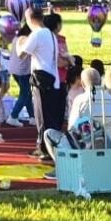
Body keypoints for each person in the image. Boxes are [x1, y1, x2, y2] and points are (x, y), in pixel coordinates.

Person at [22, 9, 63, 159]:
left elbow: (22, 54)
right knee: (50, 117)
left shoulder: (37, 34)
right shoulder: (51, 34)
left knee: (42, 116)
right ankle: (48, 146)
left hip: (42, 82)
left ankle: (44, 148)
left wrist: (20, 42)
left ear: (29, 19)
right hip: (53, 80)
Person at [6, 24, 33, 127]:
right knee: (24, 94)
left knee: (27, 93)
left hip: (14, 69)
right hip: (23, 70)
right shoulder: (27, 40)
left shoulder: (16, 38)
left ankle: (32, 116)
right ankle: (13, 116)